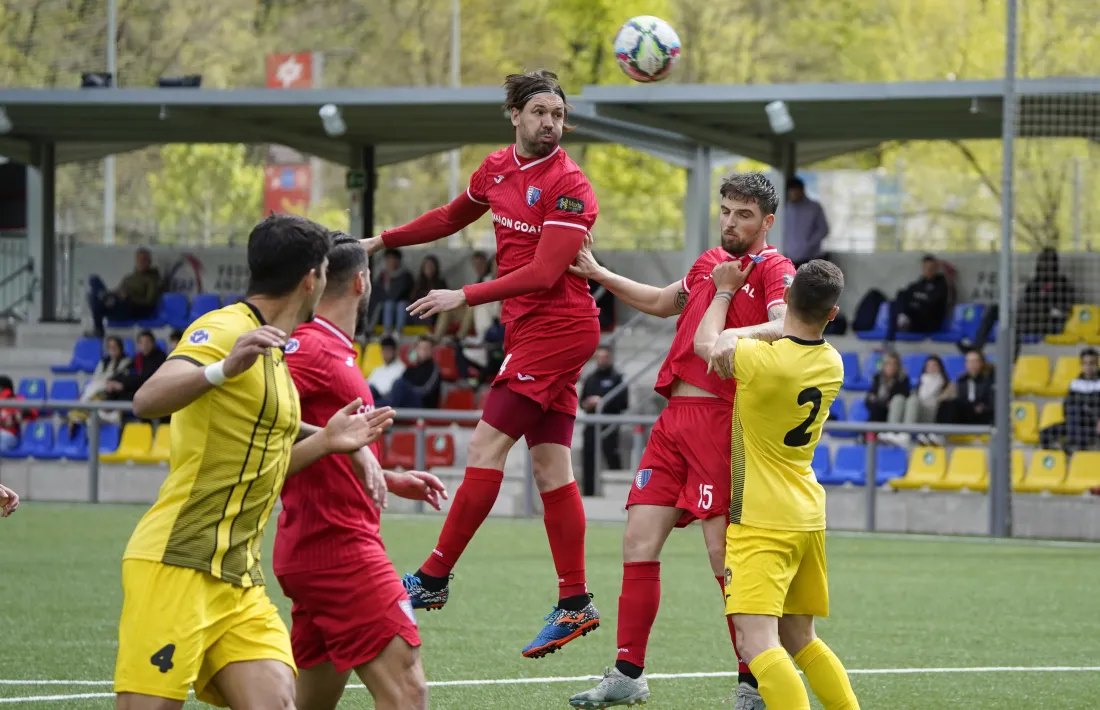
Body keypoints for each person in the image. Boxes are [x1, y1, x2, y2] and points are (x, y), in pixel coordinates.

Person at [362, 69, 602, 658]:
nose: (551, 122)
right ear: (515, 116)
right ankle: (575, 603)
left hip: (560, 328)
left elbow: (547, 274)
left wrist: (461, 296)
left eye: (559, 114)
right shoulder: (495, 169)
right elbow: (448, 218)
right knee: (551, 470)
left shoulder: (571, 185)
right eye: (540, 112)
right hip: (531, 330)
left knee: (483, 448)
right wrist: (380, 241)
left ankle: (434, 577)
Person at [113, 215, 397, 710]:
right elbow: (148, 399)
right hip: (177, 565)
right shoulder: (226, 328)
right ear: (312, 278)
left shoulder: (276, 350)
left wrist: (336, 441)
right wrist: (224, 367)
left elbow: (274, 449)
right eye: (326, 273)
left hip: (239, 578)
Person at [569, 173, 793, 710]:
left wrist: (736, 333)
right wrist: (599, 273)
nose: (731, 222)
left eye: (743, 214)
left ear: (766, 221)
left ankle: (752, 679)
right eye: (726, 211)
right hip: (672, 424)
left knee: (723, 556)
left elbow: (786, 325)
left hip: (723, 421)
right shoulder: (709, 264)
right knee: (637, 542)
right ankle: (628, 673)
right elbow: (664, 301)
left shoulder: (774, 268)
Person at [276, 233, 447, 710]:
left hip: (314, 546)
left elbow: (316, 435)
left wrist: (385, 475)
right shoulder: (311, 348)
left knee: (309, 704)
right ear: (361, 282)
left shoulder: (331, 349)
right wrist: (349, 448)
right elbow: (255, 415)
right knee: (408, 690)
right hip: (339, 549)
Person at [695, 259, 860, 710]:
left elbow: (704, 343)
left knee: (756, 642)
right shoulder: (833, 363)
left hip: (763, 520)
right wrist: (760, 331)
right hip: (807, 514)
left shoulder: (761, 361)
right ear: (833, 313)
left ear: (785, 299)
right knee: (800, 637)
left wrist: (725, 299)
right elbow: (790, 335)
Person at [959, 247, 1075, 359]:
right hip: (1028, 318)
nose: (1044, 265)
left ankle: (1011, 360)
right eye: (1042, 261)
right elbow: (1027, 300)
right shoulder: (1034, 282)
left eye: (1048, 261)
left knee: (1016, 322)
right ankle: (976, 348)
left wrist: (1047, 307)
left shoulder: (1062, 283)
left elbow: (1064, 309)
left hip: (1048, 322)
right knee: (995, 309)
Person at [580, 345, 628, 496]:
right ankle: (588, 492)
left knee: (611, 454)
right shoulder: (590, 378)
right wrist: (587, 404)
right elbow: (582, 401)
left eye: (605, 357)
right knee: (588, 456)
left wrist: (602, 402)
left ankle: (619, 494)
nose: (602, 360)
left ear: (610, 358)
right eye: (599, 357)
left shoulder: (617, 378)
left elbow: (623, 403)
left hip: (609, 423)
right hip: (592, 422)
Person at [88, 247, 161, 338]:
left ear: (149, 262)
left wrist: (129, 297)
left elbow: (149, 302)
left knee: (95, 299)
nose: (140, 262)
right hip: (118, 302)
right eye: (138, 259)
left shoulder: (152, 279)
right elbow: (119, 290)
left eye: (144, 260)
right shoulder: (129, 277)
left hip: (132, 308)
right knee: (94, 281)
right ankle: (103, 299)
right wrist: (112, 293)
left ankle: (102, 307)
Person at [1039, 347, 1100, 453]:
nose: (1088, 367)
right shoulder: (1075, 383)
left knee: (1076, 410)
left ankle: (1072, 445)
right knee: (1045, 433)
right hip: (1075, 422)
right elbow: (1066, 407)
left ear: (1097, 364)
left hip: (1093, 424)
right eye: (1085, 363)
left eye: (1092, 363)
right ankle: (1065, 451)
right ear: (1081, 365)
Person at [932, 350, 994, 441]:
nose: (971, 364)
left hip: (982, 414)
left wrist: (983, 407)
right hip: (966, 412)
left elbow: (992, 401)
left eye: (974, 361)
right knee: (946, 404)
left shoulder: (989, 380)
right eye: (968, 361)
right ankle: (938, 434)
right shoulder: (962, 380)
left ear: (981, 363)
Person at [885, 254, 949, 342]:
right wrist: (914, 302)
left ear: (936, 268)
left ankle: (903, 320)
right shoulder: (919, 284)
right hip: (915, 318)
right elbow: (904, 294)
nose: (928, 270)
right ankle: (891, 338)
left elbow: (931, 302)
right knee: (895, 302)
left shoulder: (941, 284)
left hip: (929, 322)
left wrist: (915, 301)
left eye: (931, 267)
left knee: (916, 307)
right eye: (925, 267)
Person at [783, 177, 830, 269]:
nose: (793, 194)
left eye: (795, 191)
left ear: (802, 190)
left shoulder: (814, 207)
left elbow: (823, 229)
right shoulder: (785, 209)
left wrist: (808, 245)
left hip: (811, 258)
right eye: (791, 192)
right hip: (790, 258)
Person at [903, 355, 949, 446]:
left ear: (940, 367)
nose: (931, 368)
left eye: (934, 365)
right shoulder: (919, 384)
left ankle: (907, 433)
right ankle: (904, 433)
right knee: (911, 400)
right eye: (928, 365)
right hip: (918, 412)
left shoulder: (947, 385)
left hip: (934, 413)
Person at [390, 336, 442, 409]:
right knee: (378, 399)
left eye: (426, 348)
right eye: (420, 348)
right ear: (416, 349)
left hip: (423, 405)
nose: (423, 351)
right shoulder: (411, 368)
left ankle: (391, 413)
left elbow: (426, 390)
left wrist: (409, 390)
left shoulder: (434, 368)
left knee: (399, 384)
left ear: (431, 351)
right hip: (405, 402)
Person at [372, 249, 414, 337]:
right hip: (386, 305)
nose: (391, 262)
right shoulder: (383, 276)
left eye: (393, 259)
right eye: (389, 259)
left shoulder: (405, 275)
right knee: (388, 304)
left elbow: (405, 292)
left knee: (400, 305)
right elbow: (378, 292)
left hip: (402, 304)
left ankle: (398, 332)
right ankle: (387, 331)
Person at [410, 255, 451, 338]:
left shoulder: (441, 282)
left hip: (435, 312)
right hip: (420, 311)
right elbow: (412, 298)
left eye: (431, 266)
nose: (429, 268)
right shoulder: (418, 282)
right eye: (426, 265)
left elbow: (445, 299)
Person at [864, 352, 909, 423]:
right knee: (875, 411)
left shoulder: (902, 380)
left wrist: (878, 401)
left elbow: (901, 398)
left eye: (894, 364)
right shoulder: (877, 378)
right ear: (884, 365)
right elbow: (869, 399)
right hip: (877, 411)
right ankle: (871, 433)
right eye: (888, 364)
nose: (891, 367)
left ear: (898, 366)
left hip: (893, 414)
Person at [367, 336, 406, 404]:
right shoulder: (377, 370)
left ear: (395, 351)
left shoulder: (402, 368)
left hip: (389, 401)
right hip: (374, 398)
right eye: (384, 350)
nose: (386, 353)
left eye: (388, 350)